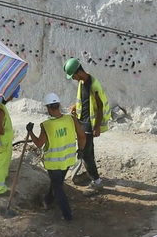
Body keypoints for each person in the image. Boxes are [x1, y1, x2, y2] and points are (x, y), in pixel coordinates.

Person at [30, 93, 83, 222]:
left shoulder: (46, 125)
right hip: (68, 159)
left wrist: (30, 131)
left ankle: (67, 215)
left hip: (53, 162)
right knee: (57, 182)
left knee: (58, 188)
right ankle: (48, 200)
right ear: (59, 105)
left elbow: (39, 144)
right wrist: (81, 150)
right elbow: (82, 136)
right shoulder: (71, 119)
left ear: (48, 108)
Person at [65, 59, 110, 188]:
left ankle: (97, 182)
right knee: (87, 152)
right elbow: (84, 100)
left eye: (73, 76)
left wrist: (97, 127)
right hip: (82, 121)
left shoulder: (93, 86)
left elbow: (100, 107)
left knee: (85, 153)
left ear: (79, 72)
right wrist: (75, 107)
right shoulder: (82, 81)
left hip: (89, 124)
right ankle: (91, 174)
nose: (73, 78)